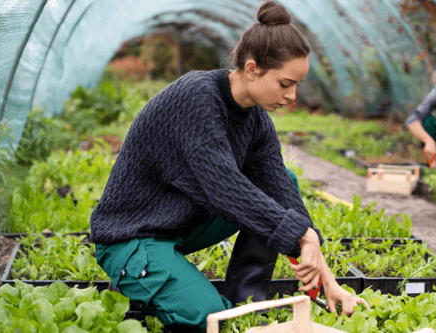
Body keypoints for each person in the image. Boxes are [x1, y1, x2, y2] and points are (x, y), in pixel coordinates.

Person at [89, 2, 367, 332]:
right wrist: (301, 235)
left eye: (297, 85)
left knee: (284, 183)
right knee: (209, 318)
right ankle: (142, 280)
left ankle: (245, 305)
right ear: (252, 69)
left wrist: (328, 280)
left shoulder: (257, 120)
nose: (293, 96)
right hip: (132, 235)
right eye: (285, 83)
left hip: (179, 225)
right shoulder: (196, 97)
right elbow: (221, 187)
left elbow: (281, 191)